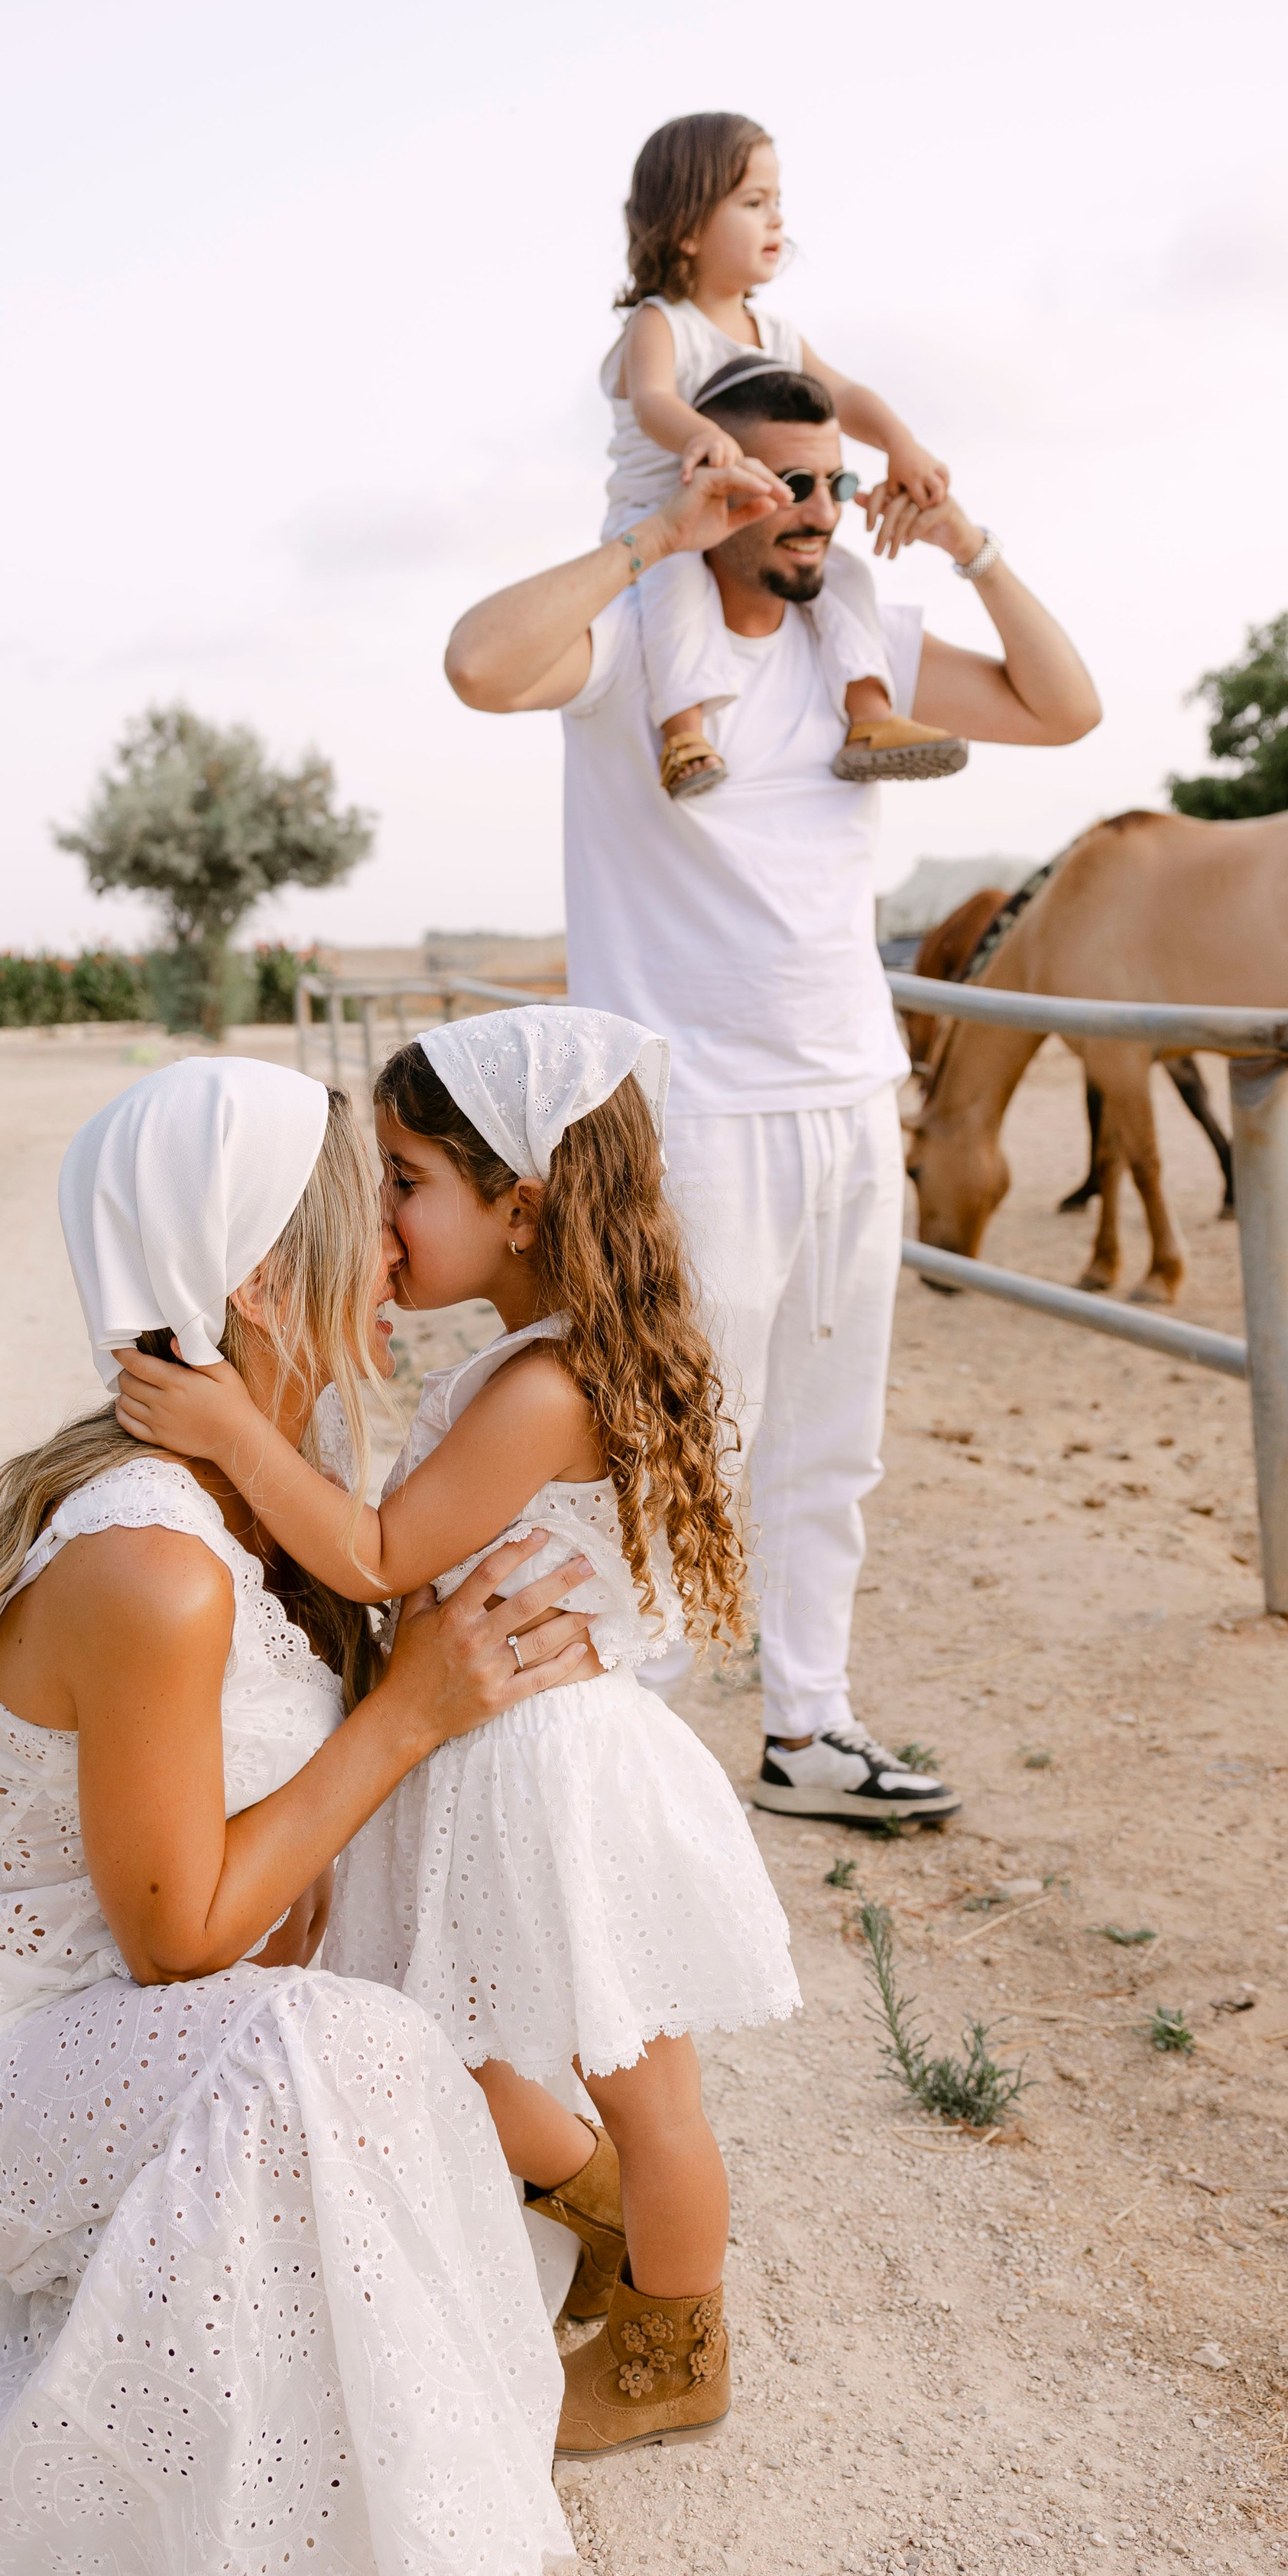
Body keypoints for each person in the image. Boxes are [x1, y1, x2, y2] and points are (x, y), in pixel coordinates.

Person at [0, 1057, 599, 2576]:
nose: (397, 1244)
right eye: (365, 1208)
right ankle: (76, 2506)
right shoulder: (154, 1559)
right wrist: (410, 1710)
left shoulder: (258, 1495)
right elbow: (179, 1947)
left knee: (367, 2025)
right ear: (258, 1276)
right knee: (332, 2054)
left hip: (89, 2029)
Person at [115, 1008, 800, 2464]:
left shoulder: (545, 1390)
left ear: (521, 1205)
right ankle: (599, 2215)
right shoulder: (523, 1366)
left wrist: (238, 1433)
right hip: (483, 1760)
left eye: (407, 1177)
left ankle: (680, 2337)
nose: (386, 1214)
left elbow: (374, 1555)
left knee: (646, 2085)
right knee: (441, 2034)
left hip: (553, 1775)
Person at [444, 368, 1101, 1827]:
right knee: (683, 1432)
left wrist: (966, 537)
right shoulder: (634, 642)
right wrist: (652, 538)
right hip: (696, 1113)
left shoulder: (859, 634)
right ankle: (627, 1738)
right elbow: (480, 667)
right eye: (783, 483)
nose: (815, 511)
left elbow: (1067, 708)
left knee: (830, 1441)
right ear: (722, 483)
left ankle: (809, 1726)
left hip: (854, 1095)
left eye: (832, 486)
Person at [602, 110, 963, 801]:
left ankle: (870, 715)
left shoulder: (773, 330)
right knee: (675, 592)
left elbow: (845, 393)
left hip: (749, 520)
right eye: (752, 202)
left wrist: (901, 444)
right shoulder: (660, 323)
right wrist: (698, 437)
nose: (776, 221)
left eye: (777, 202)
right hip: (669, 524)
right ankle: (683, 733)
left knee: (847, 577)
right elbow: (651, 399)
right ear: (685, 228)